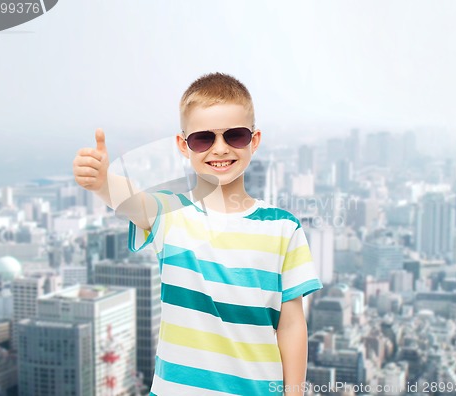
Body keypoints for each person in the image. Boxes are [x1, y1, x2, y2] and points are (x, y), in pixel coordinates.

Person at [73, 72, 323, 395]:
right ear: (183, 145)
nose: (220, 149)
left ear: (254, 140)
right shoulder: (171, 214)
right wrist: (102, 182)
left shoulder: (284, 229)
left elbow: (291, 325)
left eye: (235, 135)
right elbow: (134, 201)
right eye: (204, 139)